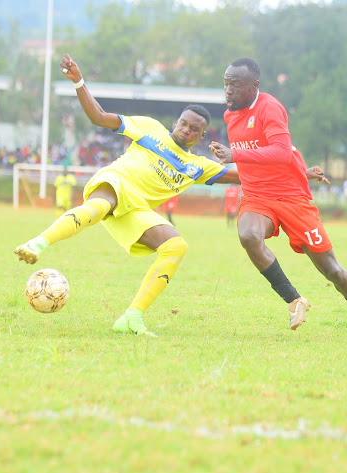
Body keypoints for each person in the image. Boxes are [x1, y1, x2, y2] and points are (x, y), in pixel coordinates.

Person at [14, 54, 247, 337]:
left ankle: (131, 317)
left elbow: (248, 174)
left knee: (176, 247)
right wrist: (79, 81)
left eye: (194, 129)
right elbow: (99, 117)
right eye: (184, 123)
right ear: (176, 121)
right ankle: (38, 243)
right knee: (98, 207)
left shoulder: (198, 166)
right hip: (116, 182)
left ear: (201, 136)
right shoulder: (149, 128)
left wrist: (295, 169)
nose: (186, 129)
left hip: (135, 209)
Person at [209, 57, 347, 338]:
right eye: (226, 84)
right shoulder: (230, 115)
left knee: (333, 272)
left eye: (235, 85)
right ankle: (294, 300)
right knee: (249, 236)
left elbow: (281, 151)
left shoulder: (270, 107)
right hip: (257, 196)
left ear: (255, 86)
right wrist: (303, 169)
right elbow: (270, 153)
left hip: (291, 199)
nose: (228, 90)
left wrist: (235, 155)